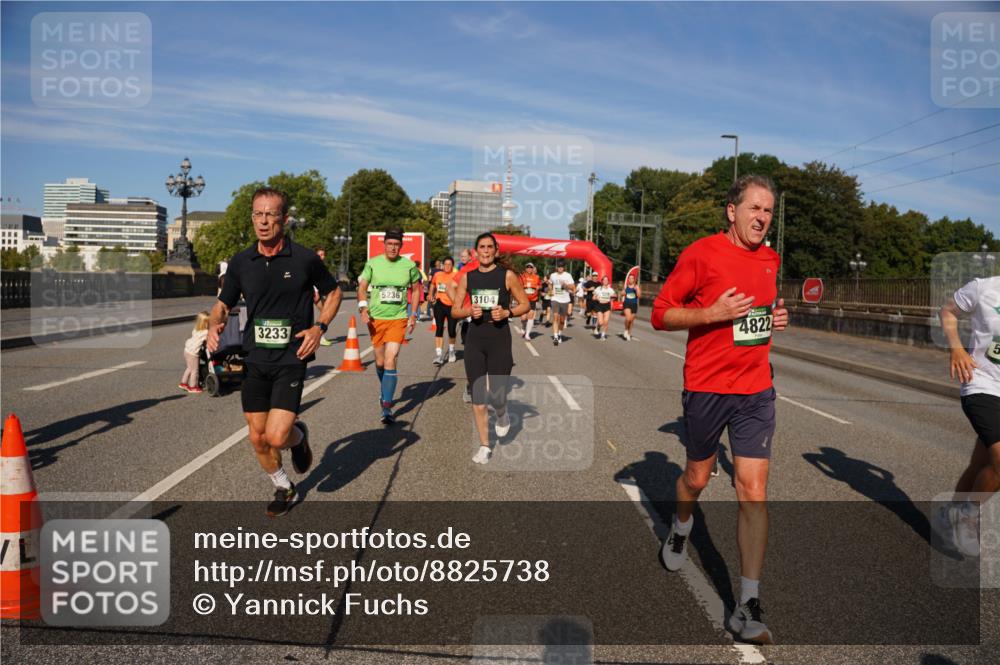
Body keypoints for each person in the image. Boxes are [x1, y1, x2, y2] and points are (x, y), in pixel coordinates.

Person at [651, 174, 788, 645]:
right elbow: (661, 313)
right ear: (732, 211)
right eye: (754, 208)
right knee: (696, 478)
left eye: (768, 211)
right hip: (706, 387)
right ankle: (681, 524)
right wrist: (710, 314)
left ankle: (747, 603)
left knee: (753, 489)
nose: (762, 218)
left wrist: (773, 318)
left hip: (756, 390)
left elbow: (755, 317)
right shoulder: (701, 253)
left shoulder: (771, 259)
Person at [207, 187, 342, 517]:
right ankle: (284, 485)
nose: (263, 221)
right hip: (254, 358)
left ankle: (298, 436)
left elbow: (334, 292)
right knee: (257, 437)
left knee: (277, 435)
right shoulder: (242, 262)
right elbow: (223, 304)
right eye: (257, 214)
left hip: (290, 358)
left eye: (270, 214)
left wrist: (319, 327)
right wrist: (214, 324)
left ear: (284, 219)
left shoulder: (304, 259)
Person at [934, 274, 1000, 557]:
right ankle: (966, 516)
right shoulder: (984, 287)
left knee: (982, 465)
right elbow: (948, 310)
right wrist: (957, 348)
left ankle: (950, 514)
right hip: (981, 384)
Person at [451, 232, 530, 464]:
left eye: (489, 247)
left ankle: (502, 413)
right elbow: (455, 310)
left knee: (497, 395)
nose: (485, 251)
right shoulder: (468, 277)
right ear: (476, 252)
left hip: (499, 338)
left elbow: (525, 304)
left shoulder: (507, 276)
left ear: (496, 251)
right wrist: (468, 311)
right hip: (475, 337)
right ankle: (485, 445)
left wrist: (508, 312)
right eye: (481, 247)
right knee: (478, 395)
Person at [358, 228, 422, 425]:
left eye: (396, 245)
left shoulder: (409, 265)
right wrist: (363, 307)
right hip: (376, 319)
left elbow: (417, 289)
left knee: (391, 358)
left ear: (401, 246)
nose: (393, 248)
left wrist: (413, 314)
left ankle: (386, 407)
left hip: (398, 318)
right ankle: (385, 390)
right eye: (390, 244)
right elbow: (361, 286)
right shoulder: (373, 263)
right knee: (379, 362)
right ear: (384, 245)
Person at [429, 256, 459, 365]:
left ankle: (451, 350)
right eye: (445, 264)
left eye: (449, 264)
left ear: (452, 266)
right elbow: (432, 284)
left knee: (451, 330)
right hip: (439, 303)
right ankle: (439, 355)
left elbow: (461, 290)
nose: (447, 266)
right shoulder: (437, 275)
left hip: (452, 305)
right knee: (439, 328)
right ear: (442, 265)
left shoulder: (456, 276)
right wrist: (430, 294)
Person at [180, 310, 210, 393]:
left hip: (187, 350)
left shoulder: (196, 329)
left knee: (189, 368)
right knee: (195, 370)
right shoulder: (206, 332)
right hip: (193, 353)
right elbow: (207, 341)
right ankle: (193, 386)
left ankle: (183, 383)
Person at [548, 261, 575, 345]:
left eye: (562, 267)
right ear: (557, 267)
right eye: (559, 267)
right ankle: (555, 337)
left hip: (565, 300)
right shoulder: (553, 275)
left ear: (564, 267)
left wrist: (566, 286)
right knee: (555, 317)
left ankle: (559, 334)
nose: (560, 268)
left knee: (562, 320)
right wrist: (550, 290)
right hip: (555, 299)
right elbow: (550, 283)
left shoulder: (568, 275)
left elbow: (573, 287)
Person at [315, 247, 335, 347]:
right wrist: (315, 292)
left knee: (324, 313)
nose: (322, 257)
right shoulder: (314, 265)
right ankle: (320, 337)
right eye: (320, 255)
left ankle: (319, 336)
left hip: (319, 293)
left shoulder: (321, 265)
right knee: (325, 313)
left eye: (323, 255)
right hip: (314, 294)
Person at [520, 262, 542, 340]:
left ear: (533, 269)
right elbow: (518, 285)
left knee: (531, 316)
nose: (529, 269)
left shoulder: (536, 277)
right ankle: (523, 326)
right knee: (523, 318)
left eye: (531, 267)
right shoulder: (522, 276)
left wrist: (538, 287)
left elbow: (540, 284)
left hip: (533, 299)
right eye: (528, 267)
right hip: (523, 299)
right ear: (525, 268)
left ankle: (527, 334)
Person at [591, 276, 615, 340]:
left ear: (608, 282)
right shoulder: (599, 288)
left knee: (606, 322)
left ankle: (603, 335)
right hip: (599, 305)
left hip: (607, 305)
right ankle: (598, 327)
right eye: (604, 280)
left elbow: (614, 296)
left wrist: (613, 296)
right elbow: (593, 297)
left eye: (607, 280)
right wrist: (597, 299)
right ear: (602, 281)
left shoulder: (610, 289)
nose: (605, 281)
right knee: (601, 322)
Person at [620, 274, 642, 341]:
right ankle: (626, 330)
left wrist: (637, 290)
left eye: (632, 278)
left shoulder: (636, 287)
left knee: (631, 321)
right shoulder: (626, 286)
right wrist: (623, 292)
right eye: (629, 278)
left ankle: (629, 334)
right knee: (628, 318)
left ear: (634, 280)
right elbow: (622, 294)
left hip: (634, 304)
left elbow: (639, 296)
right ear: (628, 280)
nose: (630, 280)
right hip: (627, 303)